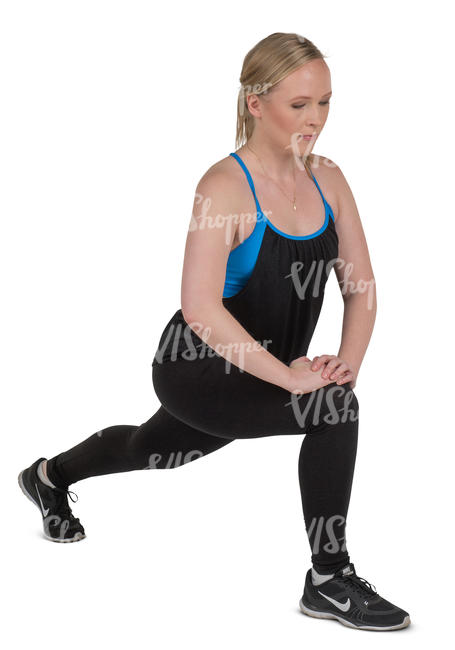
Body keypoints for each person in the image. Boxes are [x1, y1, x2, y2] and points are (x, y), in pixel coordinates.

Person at [18, 32, 410, 631]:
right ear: (256, 104)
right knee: (334, 410)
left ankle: (48, 476)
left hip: (265, 371)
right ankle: (328, 579)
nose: (317, 119)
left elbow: (360, 286)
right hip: (197, 367)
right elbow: (200, 308)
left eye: (326, 102)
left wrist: (345, 363)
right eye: (298, 104)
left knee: (149, 452)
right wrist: (293, 379)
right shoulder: (224, 187)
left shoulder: (329, 178)